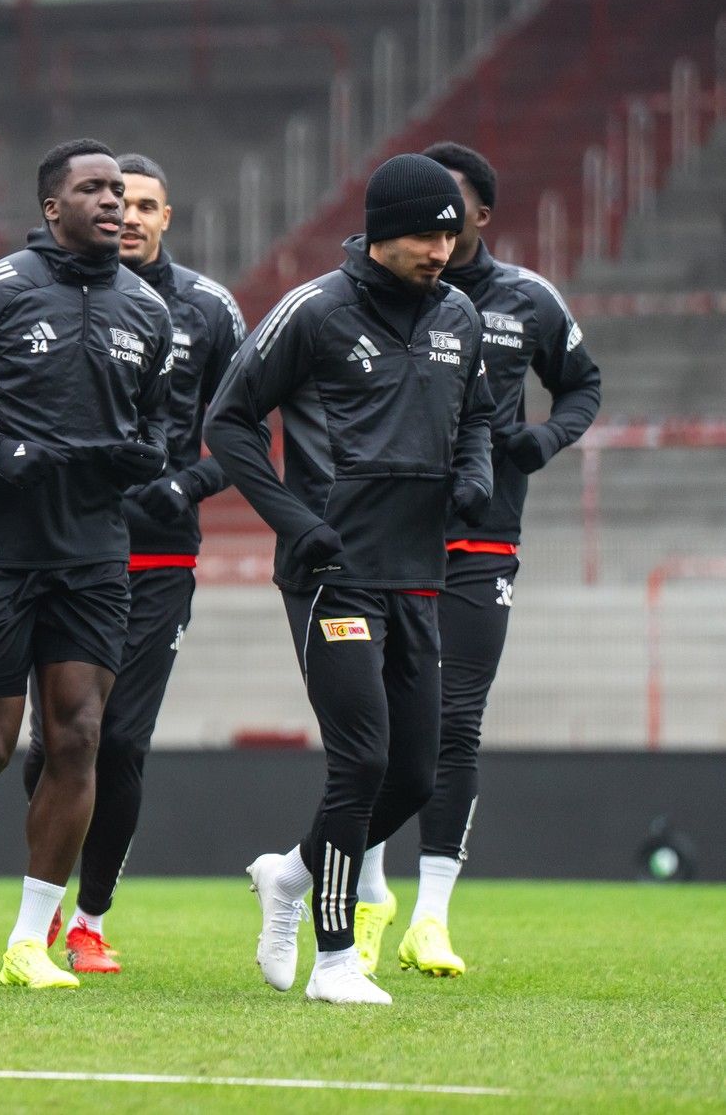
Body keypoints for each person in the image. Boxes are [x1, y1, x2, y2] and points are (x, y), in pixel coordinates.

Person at [207, 152, 494, 1006]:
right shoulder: (316, 310)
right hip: (332, 571)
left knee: (414, 773)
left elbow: (478, 415)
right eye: (420, 234)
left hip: (418, 572)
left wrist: (474, 477)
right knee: (361, 758)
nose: (439, 249)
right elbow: (228, 422)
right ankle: (337, 959)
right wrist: (298, 522)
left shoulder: (460, 316)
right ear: (376, 232)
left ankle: (289, 875)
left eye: (449, 232)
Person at [0, 139, 172, 992]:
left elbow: (158, 423)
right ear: (53, 207)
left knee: (77, 736)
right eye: (94, 190)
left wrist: (143, 459)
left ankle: (27, 942)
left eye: (121, 192)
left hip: (92, 553)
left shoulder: (147, 312)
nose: (114, 204)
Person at [353, 143, 600, 978]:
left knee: (455, 722)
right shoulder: (369, 300)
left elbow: (584, 384)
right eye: (421, 213)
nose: (437, 225)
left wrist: (541, 440)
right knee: (378, 725)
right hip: (388, 535)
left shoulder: (526, 298)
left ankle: (431, 915)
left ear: (482, 217)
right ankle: (366, 886)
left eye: (450, 209)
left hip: (483, 534)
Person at [18, 152, 245, 973]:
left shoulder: (211, 311)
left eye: (148, 202)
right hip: (63, 548)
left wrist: (183, 485)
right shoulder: (45, 291)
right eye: (121, 200)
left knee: (120, 741)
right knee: (51, 743)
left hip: (155, 556)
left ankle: (88, 917)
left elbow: (245, 436)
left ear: (167, 215)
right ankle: (38, 902)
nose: (133, 214)